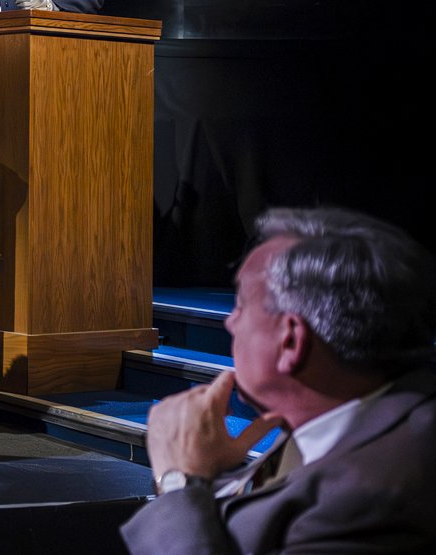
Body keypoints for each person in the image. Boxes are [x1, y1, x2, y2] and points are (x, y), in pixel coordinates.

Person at [121, 207, 436, 555]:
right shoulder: (339, 415)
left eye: (240, 306)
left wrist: (180, 482)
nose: (230, 323)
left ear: (290, 341)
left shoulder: (375, 491)